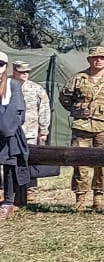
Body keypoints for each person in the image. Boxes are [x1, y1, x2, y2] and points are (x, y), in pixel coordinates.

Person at [59, 46, 104, 212]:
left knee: (102, 163)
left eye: (102, 58)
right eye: (95, 57)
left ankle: (99, 195)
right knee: (80, 162)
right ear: (89, 59)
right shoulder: (78, 79)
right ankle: (80, 197)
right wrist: (78, 110)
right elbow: (64, 97)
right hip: (82, 126)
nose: (98, 60)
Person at [14, 60, 50, 210]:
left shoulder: (36, 89)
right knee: (7, 161)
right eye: (21, 71)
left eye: (27, 71)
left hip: (30, 132)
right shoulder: (6, 87)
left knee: (30, 161)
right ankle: (6, 188)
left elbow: (44, 109)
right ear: (14, 71)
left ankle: (31, 189)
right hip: (9, 132)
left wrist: (44, 131)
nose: (25, 74)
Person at [0, 55, 29, 220]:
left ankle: (8, 201)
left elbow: (18, 112)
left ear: (6, 66)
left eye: (1, 64)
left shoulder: (12, 85)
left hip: (8, 133)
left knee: (10, 166)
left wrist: (6, 127)